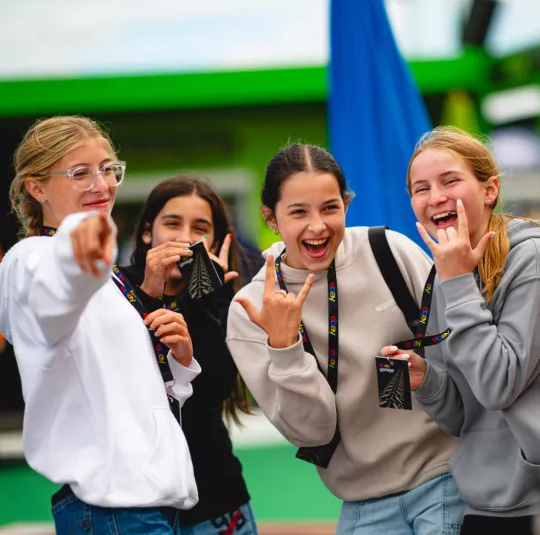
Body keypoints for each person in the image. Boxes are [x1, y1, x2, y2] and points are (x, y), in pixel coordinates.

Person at [226, 143, 465, 534]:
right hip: (361, 502)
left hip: (446, 478)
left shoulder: (389, 251)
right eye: (298, 212)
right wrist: (286, 348)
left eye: (329, 208)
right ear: (270, 218)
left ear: (347, 204)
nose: (317, 226)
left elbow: (456, 356)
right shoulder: (251, 308)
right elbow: (311, 433)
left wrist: (427, 373)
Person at [0, 116, 201, 534]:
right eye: (80, 173)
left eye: (108, 169)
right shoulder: (31, 258)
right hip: (115, 513)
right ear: (36, 188)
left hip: (144, 508)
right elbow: (52, 297)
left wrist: (180, 365)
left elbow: (122, 391)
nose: (103, 184)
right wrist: (79, 253)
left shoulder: (109, 278)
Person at [380, 126, 540, 534]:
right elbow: (462, 416)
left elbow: (497, 385)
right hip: (484, 502)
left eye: (450, 180)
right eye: (421, 188)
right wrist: (425, 379)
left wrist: (457, 283)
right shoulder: (444, 275)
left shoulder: (531, 259)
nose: (435, 197)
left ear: (490, 190)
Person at [120, 176, 258, 534]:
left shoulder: (221, 295)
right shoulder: (115, 290)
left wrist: (203, 294)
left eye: (199, 227)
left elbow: (213, 390)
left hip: (216, 499)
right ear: (148, 232)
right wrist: (151, 292)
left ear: (214, 241)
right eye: (172, 223)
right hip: (139, 506)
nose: (184, 236)